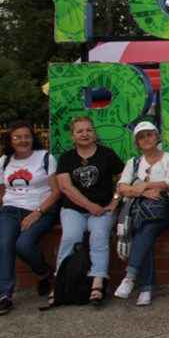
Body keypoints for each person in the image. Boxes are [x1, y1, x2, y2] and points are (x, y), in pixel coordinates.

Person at [0, 121, 59, 316]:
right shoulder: (5, 161)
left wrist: (37, 212)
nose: (23, 140)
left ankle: (43, 273)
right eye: (18, 137)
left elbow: (56, 192)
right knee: (5, 246)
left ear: (32, 138)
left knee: (24, 245)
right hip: (10, 210)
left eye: (27, 136)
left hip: (40, 209)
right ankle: (4, 296)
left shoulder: (45, 157)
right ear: (10, 140)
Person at [52, 116, 125, 306]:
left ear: (94, 133)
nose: (85, 134)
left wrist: (115, 200)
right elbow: (65, 187)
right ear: (72, 135)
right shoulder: (67, 158)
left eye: (88, 130)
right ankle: (60, 283)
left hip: (102, 210)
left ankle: (98, 282)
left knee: (99, 236)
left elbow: (125, 178)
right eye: (80, 131)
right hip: (74, 209)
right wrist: (89, 205)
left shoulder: (106, 154)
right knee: (71, 237)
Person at [114, 122, 169, 306]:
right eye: (141, 137)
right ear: (137, 142)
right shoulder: (133, 163)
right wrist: (142, 192)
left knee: (145, 230)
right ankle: (143, 287)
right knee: (145, 231)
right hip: (141, 208)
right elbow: (122, 187)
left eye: (149, 135)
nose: (146, 139)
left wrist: (145, 185)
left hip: (166, 208)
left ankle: (132, 278)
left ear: (157, 136)